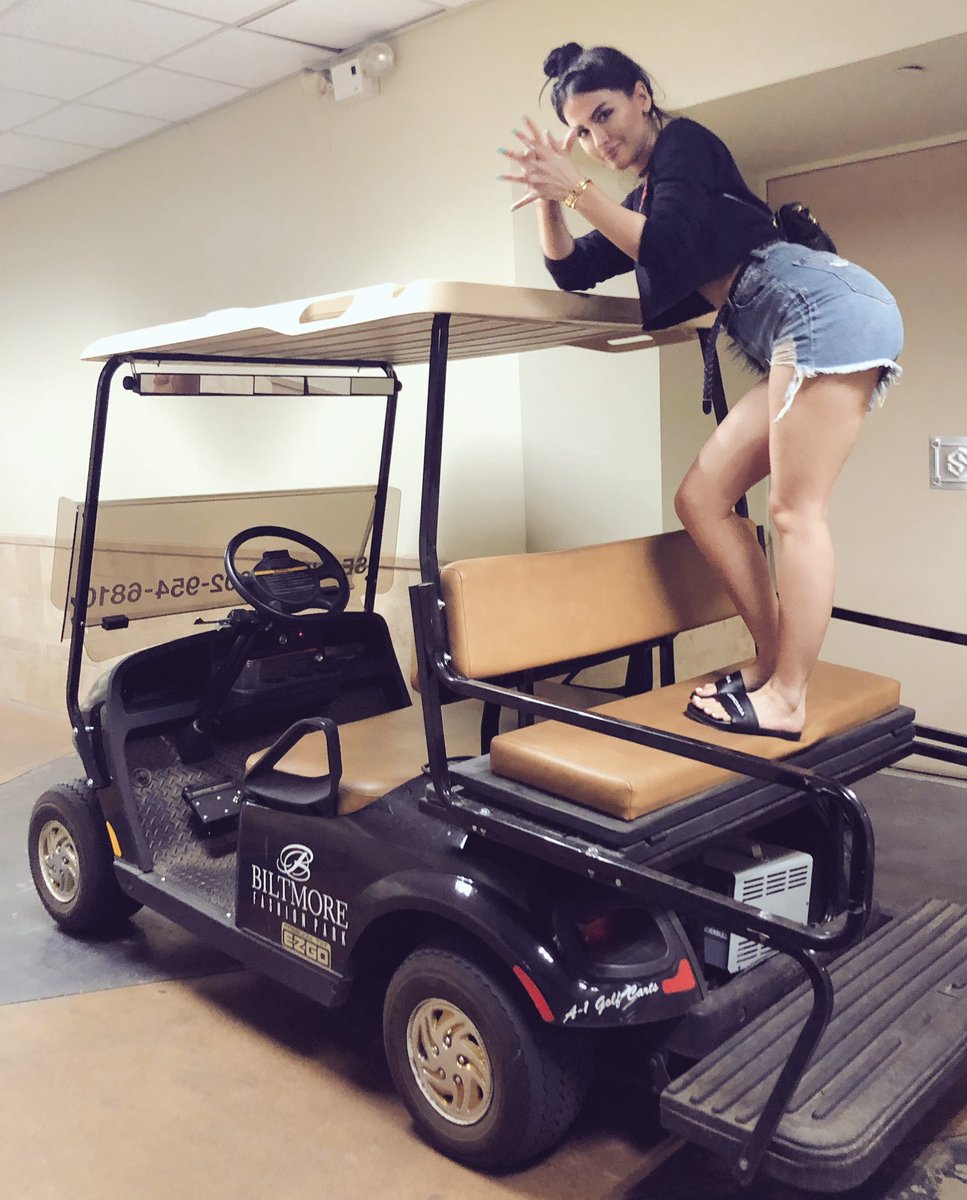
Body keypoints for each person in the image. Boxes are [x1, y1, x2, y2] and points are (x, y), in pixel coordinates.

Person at [498, 42, 903, 741]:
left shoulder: (683, 144)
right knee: (702, 499)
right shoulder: (644, 197)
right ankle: (772, 661)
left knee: (795, 512)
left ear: (641, 95)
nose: (599, 140)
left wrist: (576, 189)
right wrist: (549, 200)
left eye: (604, 115)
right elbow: (572, 270)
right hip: (795, 322)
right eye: (583, 132)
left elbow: (666, 248)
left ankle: (787, 697)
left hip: (821, 307)